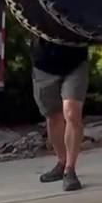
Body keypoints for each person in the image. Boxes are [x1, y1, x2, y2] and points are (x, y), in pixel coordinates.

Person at [32, 35, 90, 191]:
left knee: (72, 113)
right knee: (53, 117)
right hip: (44, 64)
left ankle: (70, 170)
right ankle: (62, 161)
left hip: (75, 62)